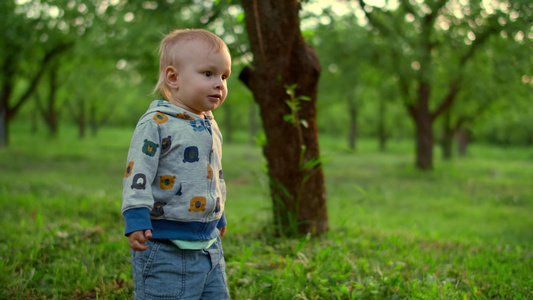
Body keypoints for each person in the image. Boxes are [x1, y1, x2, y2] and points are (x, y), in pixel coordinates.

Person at [121, 28, 231, 299]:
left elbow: (211, 174)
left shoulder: (209, 123)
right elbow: (138, 172)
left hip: (209, 248)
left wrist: (217, 213)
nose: (219, 83)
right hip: (165, 247)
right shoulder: (157, 122)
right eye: (208, 73)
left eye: (224, 76)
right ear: (173, 77)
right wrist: (135, 216)